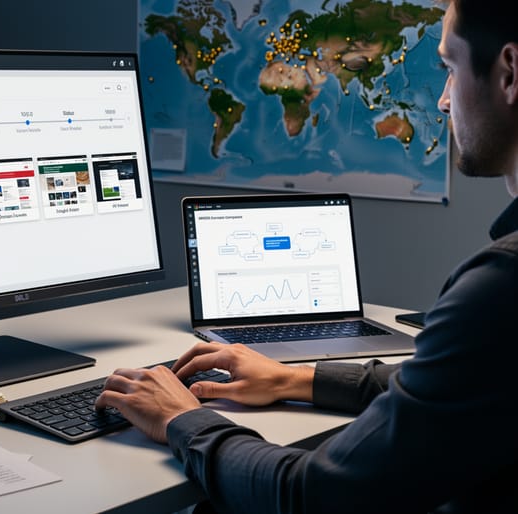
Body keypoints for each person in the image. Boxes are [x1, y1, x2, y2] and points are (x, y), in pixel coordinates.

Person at [95, 2, 518, 512]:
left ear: (509, 73)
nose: (445, 101)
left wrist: (181, 420)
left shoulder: (499, 288)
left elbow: (313, 496)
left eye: (449, 68)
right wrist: (298, 378)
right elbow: (455, 387)